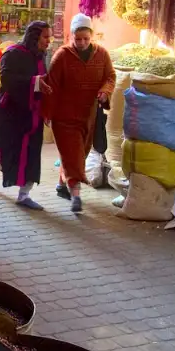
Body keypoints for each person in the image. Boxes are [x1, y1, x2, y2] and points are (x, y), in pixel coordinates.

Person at [46, 14, 116, 213]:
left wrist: (105, 91)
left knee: (78, 155)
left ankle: (62, 183)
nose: (82, 43)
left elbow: (110, 76)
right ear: (71, 37)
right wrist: (47, 112)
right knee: (73, 154)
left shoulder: (102, 54)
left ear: (91, 36)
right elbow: (52, 85)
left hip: (89, 116)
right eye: (78, 39)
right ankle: (75, 194)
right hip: (64, 117)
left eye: (86, 38)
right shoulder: (62, 56)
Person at [0, 21, 53, 211]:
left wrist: (47, 109)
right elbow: (7, 80)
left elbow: (45, 83)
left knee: (31, 155)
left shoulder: (41, 57)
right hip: (10, 114)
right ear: (34, 37)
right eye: (45, 37)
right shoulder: (12, 53)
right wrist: (36, 82)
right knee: (6, 150)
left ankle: (24, 195)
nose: (49, 41)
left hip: (32, 115)